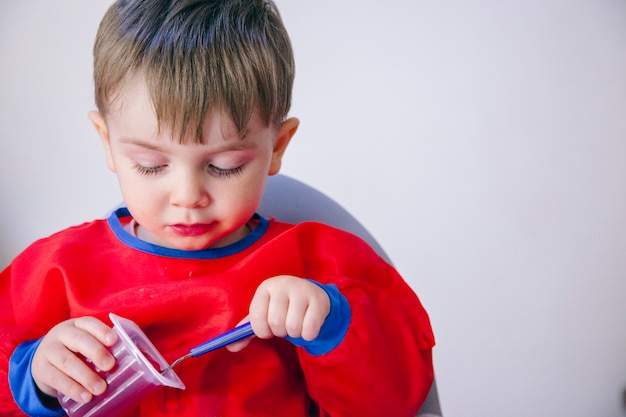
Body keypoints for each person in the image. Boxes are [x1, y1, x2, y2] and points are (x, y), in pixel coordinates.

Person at [0, 1, 435, 416]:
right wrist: (33, 374)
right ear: (107, 142)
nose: (188, 196)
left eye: (224, 166)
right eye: (151, 165)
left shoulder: (316, 263)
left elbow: (398, 400)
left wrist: (331, 321)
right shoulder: (55, 274)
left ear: (277, 147)